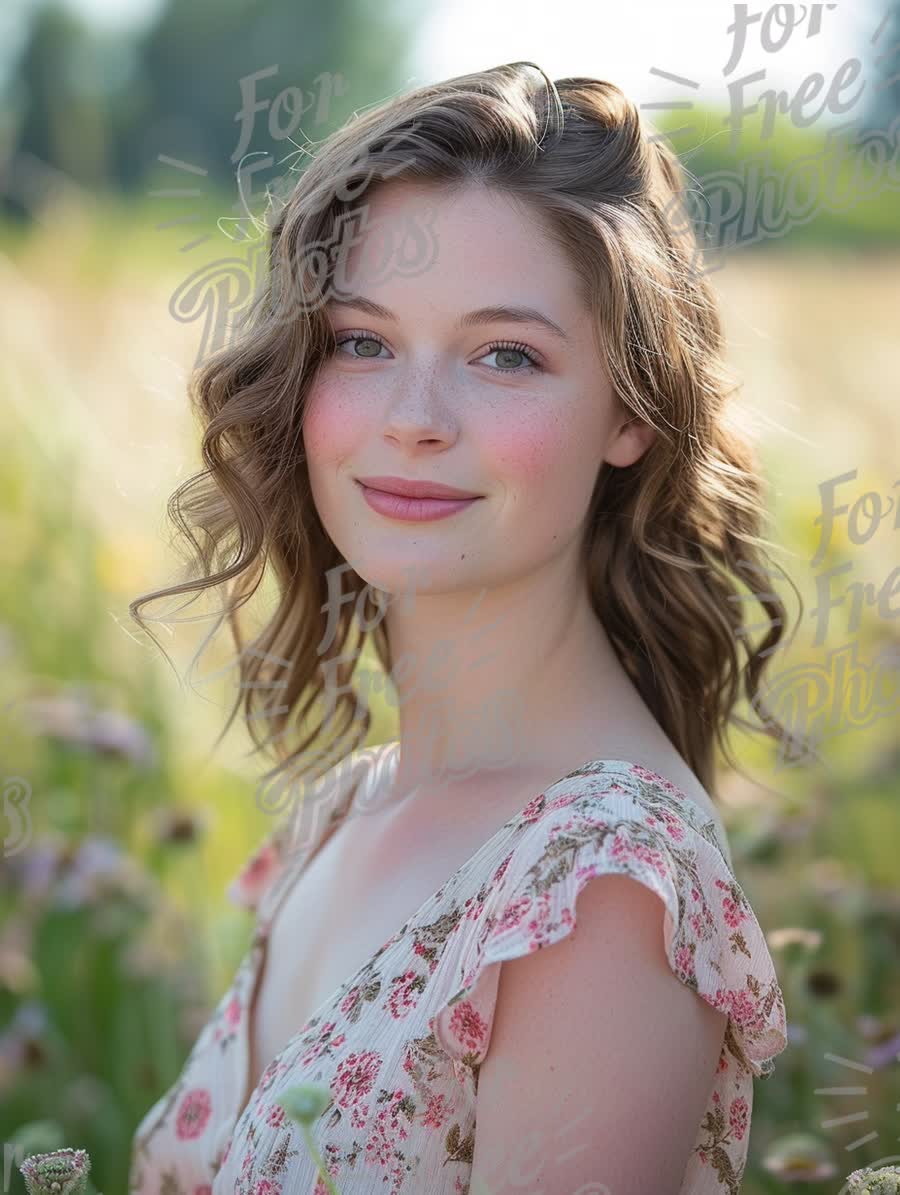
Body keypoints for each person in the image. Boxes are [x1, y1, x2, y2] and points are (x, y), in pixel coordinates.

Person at [128, 61, 794, 1195]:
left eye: (505, 355)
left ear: (631, 408)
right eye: (363, 342)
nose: (415, 421)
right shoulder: (345, 809)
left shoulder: (601, 892)